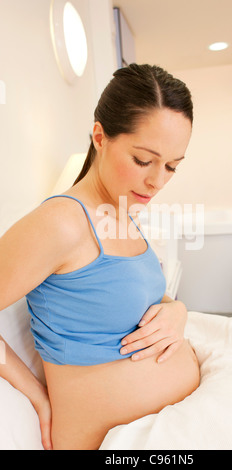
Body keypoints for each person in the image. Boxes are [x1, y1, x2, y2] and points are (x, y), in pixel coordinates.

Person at [0, 64, 200, 450]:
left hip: (174, 423)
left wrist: (177, 311)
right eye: (144, 160)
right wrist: (37, 395)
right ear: (100, 137)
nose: (158, 181)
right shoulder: (60, 223)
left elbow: (136, 297)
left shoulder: (123, 212)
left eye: (172, 166)